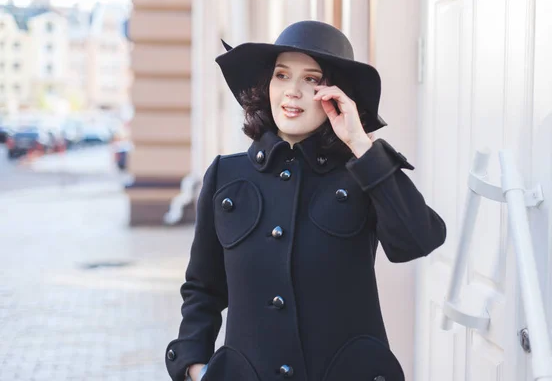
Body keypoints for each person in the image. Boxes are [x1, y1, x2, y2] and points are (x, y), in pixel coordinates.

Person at [165, 20, 446, 381]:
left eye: (311, 79)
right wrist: (193, 367)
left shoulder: (362, 174)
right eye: (281, 75)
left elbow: (417, 239)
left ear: (335, 94)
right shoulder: (226, 176)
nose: (292, 91)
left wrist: (361, 144)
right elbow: (203, 288)